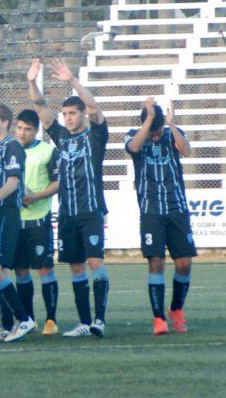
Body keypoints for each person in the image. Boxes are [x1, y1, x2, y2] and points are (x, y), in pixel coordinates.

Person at [29, 58, 110, 338]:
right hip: (66, 213)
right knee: (75, 267)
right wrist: (31, 82)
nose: (67, 118)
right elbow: (41, 110)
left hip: (90, 210)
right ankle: (85, 323)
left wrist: (72, 80)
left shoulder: (96, 135)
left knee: (95, 262)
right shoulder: (61, 137)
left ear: (82, 114)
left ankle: (99, 319)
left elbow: (96, 108)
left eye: (72, 113)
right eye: (65, 114)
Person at [125, 97, 195, 335]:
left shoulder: (171, 133)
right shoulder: (135, 135)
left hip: (177, 209)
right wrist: (150, 121)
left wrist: (171, 125)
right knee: (156, 263)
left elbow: (186, 150)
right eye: (153, 131)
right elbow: (133, 148)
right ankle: (158, 318)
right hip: (151, 211)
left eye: (158, 131)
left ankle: (176, 309)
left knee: (184, 263)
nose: (156, 135)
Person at [0, 103, 37, 343]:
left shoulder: (12, 147)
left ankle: (24, 319)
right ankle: (7, 325)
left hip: (4, 212)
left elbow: (12, 183)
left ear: (5, 123)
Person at [11, 109, 60, 336]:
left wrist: (36, 196)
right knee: (21, 271)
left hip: (38, 220)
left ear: (36, 130)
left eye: (27, 129)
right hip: (14, 221)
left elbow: (57, 183)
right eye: (19, 128)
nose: (22, 133)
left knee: (44, 269)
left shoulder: (48, 151)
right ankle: (28, 319)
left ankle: (51, 320)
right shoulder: (9, 149)